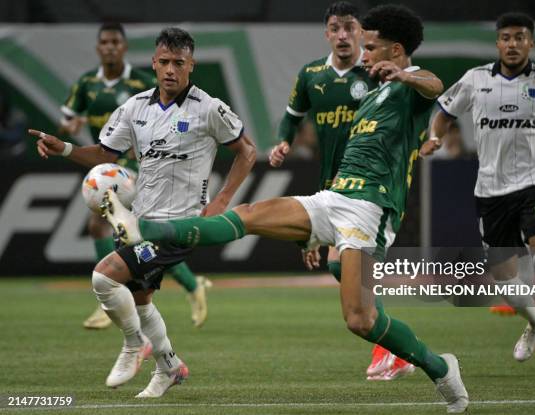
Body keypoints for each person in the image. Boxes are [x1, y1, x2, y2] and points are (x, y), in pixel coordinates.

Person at [102, 6, 469, 413]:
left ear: (396, 50)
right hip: (334, 198)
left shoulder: (408, 90)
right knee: (248, 215)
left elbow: (435, 84)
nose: (363, 55)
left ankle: (440, 367)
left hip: (371, 211)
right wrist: (311, 227)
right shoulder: (371, 93)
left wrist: (406, 75)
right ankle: (147, 229)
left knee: (360, 320)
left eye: (371, 48)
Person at [30, 27, 257, 397]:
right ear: (154, 63)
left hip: (181, 225)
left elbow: (246, 151)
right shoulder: (134, 108)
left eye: (179, 63)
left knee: (104, 278)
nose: (170, 70)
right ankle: (169, 367)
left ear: (191, 66)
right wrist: (66, 149)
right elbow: (105, 155)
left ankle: (134, 345)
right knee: (140, 297)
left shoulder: (209, 108)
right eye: (164, 61)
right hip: (140, 221)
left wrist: (220, 202)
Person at [421, 13, 535, 373]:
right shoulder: (476, 79)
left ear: (530, 43)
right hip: (490, 191)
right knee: (504, 277)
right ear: (497, 43)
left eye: (520, 38)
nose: (512, 44)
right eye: (506, 37)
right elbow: (443, 111)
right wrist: (435, 137)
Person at [268, 1, 413, 381]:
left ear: (362, 34)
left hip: (371, 188)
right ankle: (392, 347)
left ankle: (394, 348)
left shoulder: (381, 74)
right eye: (336, 28)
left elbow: (413, 102)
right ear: (327, 33)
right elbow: (292, 116)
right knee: (337, 265)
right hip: (333, 185)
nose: (344, 35)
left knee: (342, 267)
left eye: (351, 28)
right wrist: (284, 142)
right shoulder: (312, 75)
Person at [59, 22, 210, 330]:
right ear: (98, 47)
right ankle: (192, 286)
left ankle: (111, 298)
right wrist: (67, 131)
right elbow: (69, 121)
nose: (111, 47)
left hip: (142, 171)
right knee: (135, 237)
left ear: (125, 47)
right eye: (105, 42)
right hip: (109, 170)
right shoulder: (87, 83)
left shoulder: (143, 83)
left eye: (116, 41)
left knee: (119, 231)